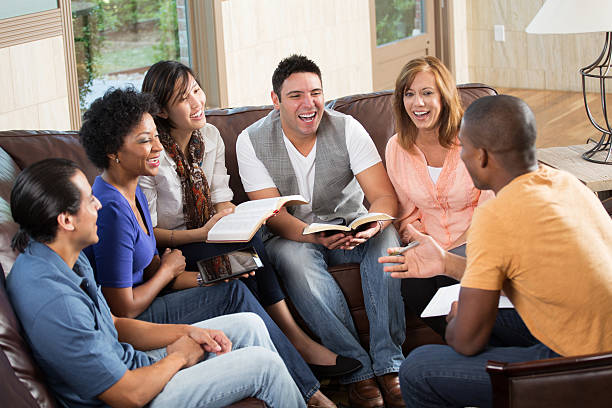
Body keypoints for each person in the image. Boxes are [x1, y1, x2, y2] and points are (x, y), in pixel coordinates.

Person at [79, 87, 334, 407]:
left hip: (152, 297)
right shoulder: (111, 210)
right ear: (112, 151)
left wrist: (207, 276)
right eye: (145, 140)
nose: (158, 147)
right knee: (233, 295)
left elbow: (153, 270)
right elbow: (122, 308)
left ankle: (305, 392)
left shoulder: (133, 190)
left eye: (156, 136)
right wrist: (169, 269)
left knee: (235, 281)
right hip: (136, 316)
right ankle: (310, 395)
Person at [6, 158, 304, 407]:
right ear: (66, 221)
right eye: (89, 200)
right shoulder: (55, 301)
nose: (98, 204)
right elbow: (129, 394)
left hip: (130, 365)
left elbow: (115, 324)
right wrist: (178, 358)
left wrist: (191, 331)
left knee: (249, 324)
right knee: (264, 367)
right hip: (129, 394)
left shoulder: (63, 253)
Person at [379, 95, 612, 407]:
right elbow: (529, 274)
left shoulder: (497, 215)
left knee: (417, 369)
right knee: (494, 320)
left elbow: (465, 340)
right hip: (598, 345)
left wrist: (458, 322)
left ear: (483, 156)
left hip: (586, 368)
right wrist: (447, 263)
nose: (462, 157)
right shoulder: (569, 185)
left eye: (465, 148)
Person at [139, 60, 360, 378]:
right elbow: (148, 232)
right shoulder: (152, 154)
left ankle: (283, 346)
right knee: (247, 253)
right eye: (183, 99)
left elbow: (221, 199)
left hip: (207, 237)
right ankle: (293, 341)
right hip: (174, 249)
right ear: (162, 111)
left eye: (197, 91)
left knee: (248, 246)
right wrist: (200, 234)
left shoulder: (210, 136)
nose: (197, 103)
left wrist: (230, 215)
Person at [236, 54, 406, 408]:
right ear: (275, 100)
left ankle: (389, 365)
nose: (308, 103)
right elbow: (273, 213)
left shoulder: (347, 128)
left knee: (389, 239)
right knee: (294, 260)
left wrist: (374, 224)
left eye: (315, 93)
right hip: (290, 235)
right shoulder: (251, 140)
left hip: (350, 224)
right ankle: (357, 371)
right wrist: (311, 235)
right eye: (296, 95)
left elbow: (383, 196)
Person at [385, 56, 494, 335]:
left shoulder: (475, 137)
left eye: (426, 93)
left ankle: (479, 351)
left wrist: (447, 254)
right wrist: (423, 244)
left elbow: (490, 208)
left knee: (446, 276)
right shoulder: (397, 147)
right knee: (410, 282)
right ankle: (458, 348)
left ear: (444, 97)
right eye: (409, 94)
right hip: (429, 242)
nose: (417, 103)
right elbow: (407, 214)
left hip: (478, 238)